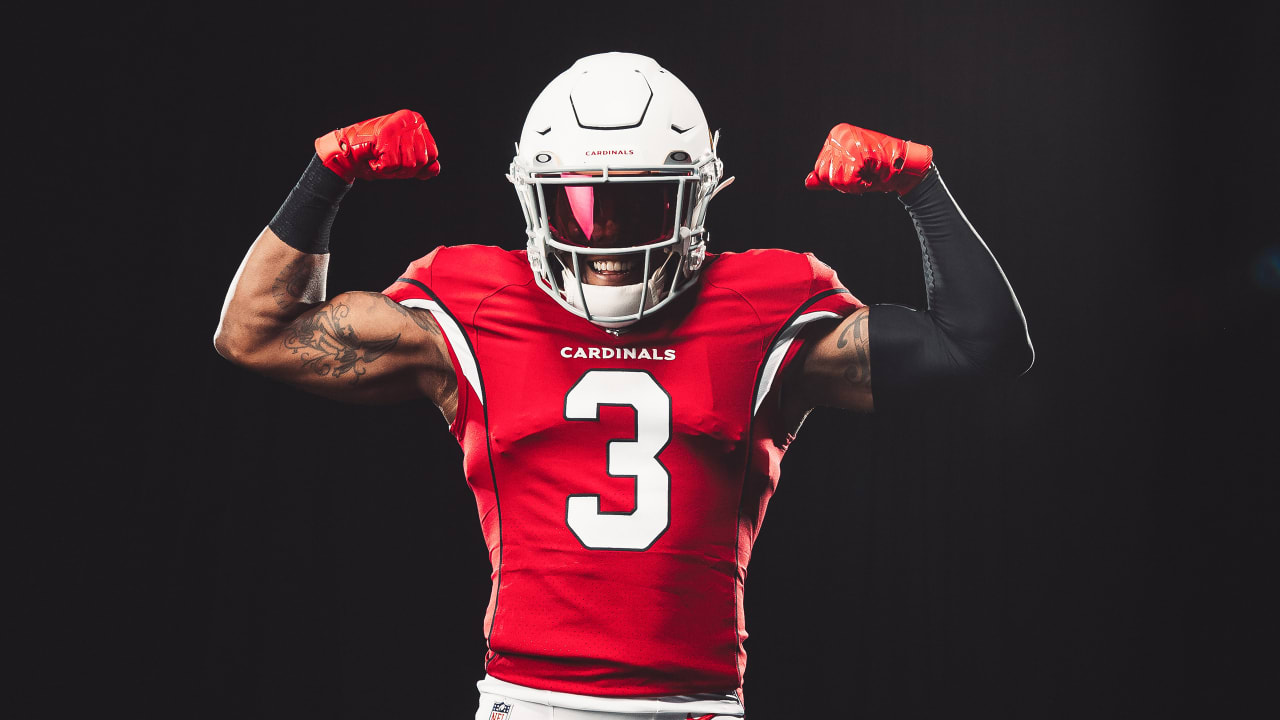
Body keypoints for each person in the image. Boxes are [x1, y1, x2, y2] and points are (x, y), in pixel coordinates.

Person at [214, 52, 1032, 720]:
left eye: (635, 205)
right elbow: (253, 333)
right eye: (579, 207)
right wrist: (326, 174)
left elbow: (983, 345)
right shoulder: (473, 303)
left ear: (696, 202)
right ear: (535, 202)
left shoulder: (762, 307)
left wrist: (920, 187)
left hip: (695, 705)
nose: (603, 237)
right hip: (524, 701)